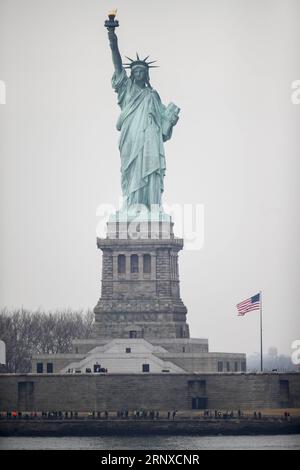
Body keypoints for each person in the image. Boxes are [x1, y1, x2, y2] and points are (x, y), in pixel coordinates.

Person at [107, 28, 180, 212]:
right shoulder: (127, 89)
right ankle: (132, 205)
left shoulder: (152, 95)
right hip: (131, 137)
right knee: (131, 171)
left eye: (141, 71)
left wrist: (171, 119)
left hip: (150, 140)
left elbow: (164, 123)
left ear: (146, 75)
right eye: (135, 71)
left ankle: (153, 206)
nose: (138, 73)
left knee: (151, 168)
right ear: (131, 74)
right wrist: (112, 39)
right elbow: (117, 66)